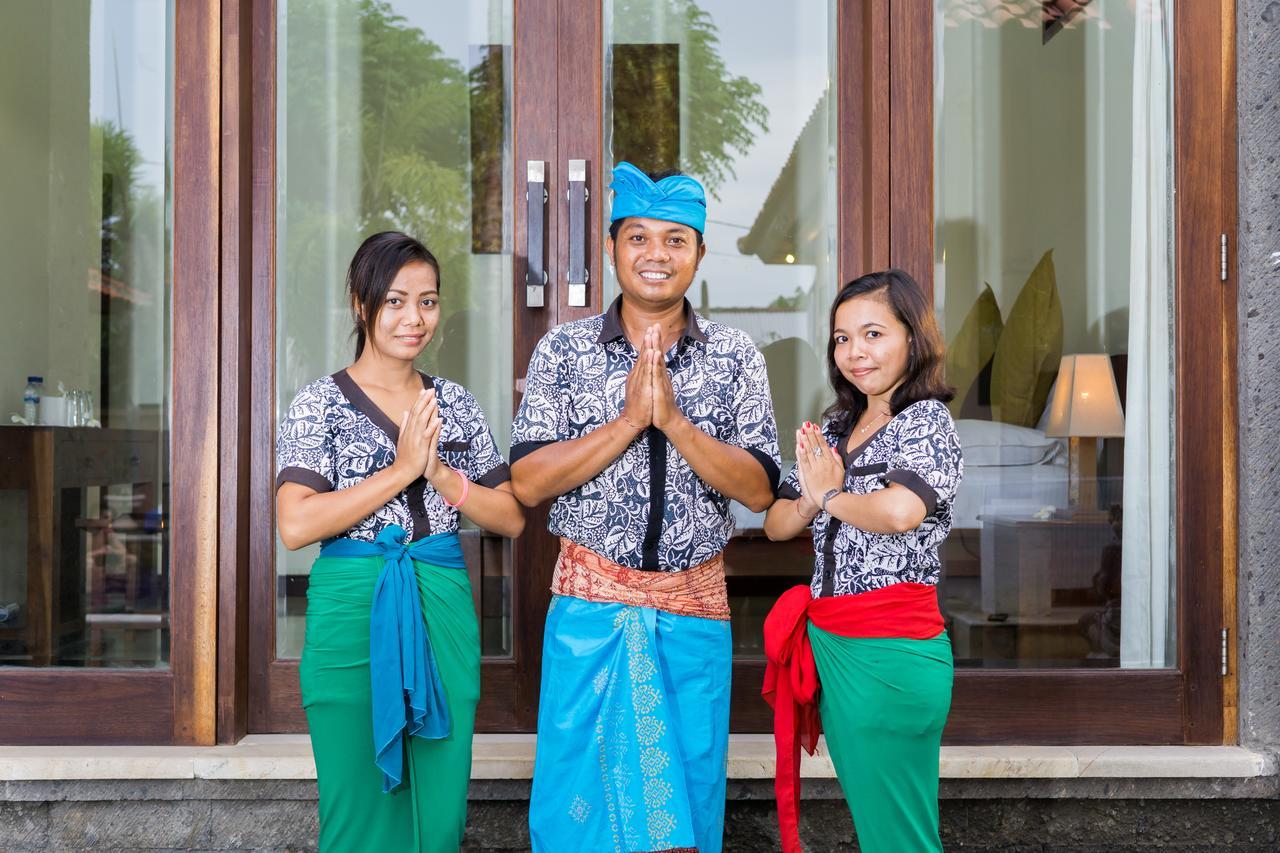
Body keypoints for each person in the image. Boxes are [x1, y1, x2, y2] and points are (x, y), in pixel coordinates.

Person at [511, 162, 780, 853]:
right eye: (638, 237)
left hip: (694, 617)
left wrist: (676, 424)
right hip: (589, 615)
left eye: (675, 239)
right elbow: (531, 481)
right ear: (610, 247)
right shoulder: (563, 351)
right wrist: (629, 421)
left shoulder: (734, 355)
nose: (656, 255)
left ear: (698, 253)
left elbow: (756, 489)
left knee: (685, 797)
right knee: (580, 802)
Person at [275, 231, 524, 852]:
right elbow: (296, 524)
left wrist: (441, 475)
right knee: (354, 794)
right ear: (361, 305)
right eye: (395, 301)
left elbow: (512, 516)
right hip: (350, 609)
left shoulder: (456, 405)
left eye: (429, 302)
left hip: (440, 603)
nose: (415, 318)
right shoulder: (319, 404)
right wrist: (402, 470)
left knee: (439, 799)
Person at [761, 269, 963, 853]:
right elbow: (777, 524)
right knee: (883, 826)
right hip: (835, 644)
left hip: (890, 650)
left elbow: (901, 512)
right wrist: (810, 497)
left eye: (873, 334)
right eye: (842, 338)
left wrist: (828, 495)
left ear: (913, 339)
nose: (855, 352)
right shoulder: (837, 426)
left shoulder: (925, 421)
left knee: (898, 832)